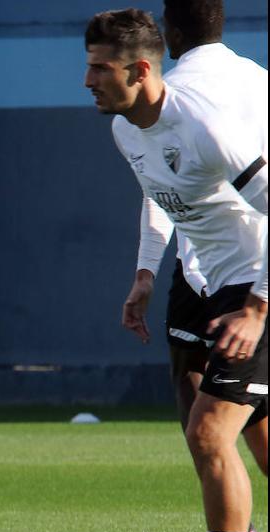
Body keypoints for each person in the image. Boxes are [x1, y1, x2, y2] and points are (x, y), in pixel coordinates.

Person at [85, 9, 266, 532]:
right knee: (262, 444)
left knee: (209, 433)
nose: (88, 80)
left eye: (99, 68)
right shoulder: (125, 132)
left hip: (257, 287)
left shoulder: (205, 127)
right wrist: (145, 276)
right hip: (217, 289)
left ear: (140, 69)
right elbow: (167, 202)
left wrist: (257, 308)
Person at [119, 0, 268, 498]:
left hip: (250, 272)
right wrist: (145, 273)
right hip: (201, 264)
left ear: (170, 32)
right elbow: (162, 184)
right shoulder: (259, 79)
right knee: (225, 420)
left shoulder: (180, 97)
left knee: (207, 425)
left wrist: (145, 271)